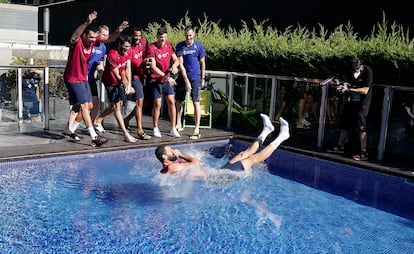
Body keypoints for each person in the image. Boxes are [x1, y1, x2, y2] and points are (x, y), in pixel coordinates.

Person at [62, 11, 128, 146]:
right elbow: (74, 36)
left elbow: (110, 39)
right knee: (85, 105)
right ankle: (93, 136)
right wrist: (87, 22)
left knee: (87, 104)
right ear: (85, 35)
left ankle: (69, 129)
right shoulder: (77, 42)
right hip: (73, 78)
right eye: (90, 37)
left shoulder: (95, 43)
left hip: (83, 78)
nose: (92, 40)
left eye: (94, 38)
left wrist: (118, 31)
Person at [155, 114, 290, 175]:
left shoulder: (168, 169)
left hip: (219, 173)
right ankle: (283, 136)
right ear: (164, 157)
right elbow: (197, 163)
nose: (174, 151)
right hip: (221, 178)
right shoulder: (172, 168)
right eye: (171, 151)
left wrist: (179, 156)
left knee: (243, 154)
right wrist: (181, 155)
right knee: (252, 159)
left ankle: (266, 131)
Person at [93, 34, 137, 143]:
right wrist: (125, 84)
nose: (127, 49)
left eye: (128, 46)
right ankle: (125, 134)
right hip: (110, 81)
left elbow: (127, 69)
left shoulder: (128, 53)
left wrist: (129, 84)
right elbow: (118, 74)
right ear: (119, 45)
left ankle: (98, 120)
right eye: (125, 46)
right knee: (117, 106)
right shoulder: (112, 54)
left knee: (118, 104)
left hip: (119, 81)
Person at [328, 58, 373, 161]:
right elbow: (348, 85)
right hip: (351, 100)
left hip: (363, 103)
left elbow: (365, 90)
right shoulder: (350, 72)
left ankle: (363, 152)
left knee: (361, 126)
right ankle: (340, 145)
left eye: (357, 69)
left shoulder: (367, 71)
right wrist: (343, 88)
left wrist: (349, 89)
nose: (355, 71)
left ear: (361, 65)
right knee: (345, 123)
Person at [68, 24, 110, 136]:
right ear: (98, 35)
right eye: (103, 35)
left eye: (107, 35)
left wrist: (101, 73)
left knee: (91, 104)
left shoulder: (103, 47)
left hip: (90, 78)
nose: (105, 37)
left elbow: (100, 63)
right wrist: (87, 22)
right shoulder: (88, 44)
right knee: (85, 105)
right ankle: (89, 132)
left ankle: (74, 127)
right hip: (80, 78)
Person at [146, 26, 180, 138]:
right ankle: (155, 127)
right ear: (157, 37)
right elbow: (153, 66)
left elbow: (176, 60)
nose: (163, 40)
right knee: (158, 103)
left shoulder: (169, 45)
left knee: (171, 101)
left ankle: (173, 128)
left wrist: (174, 66)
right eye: (161, 38)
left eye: (164, 37)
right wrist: (166, 76)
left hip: (167, 79)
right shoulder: (152, 48)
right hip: (156, 79)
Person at [175, 26, 206, 139]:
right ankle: (178, 123)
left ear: (194, 35)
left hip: (195, 77)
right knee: (178, 101)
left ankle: (196, 129)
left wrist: (203, 78)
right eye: (187, 35)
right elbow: (181, 64)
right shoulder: (180, 46)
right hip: (183, 77)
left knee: (196, 102)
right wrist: (186, 80)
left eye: (190, 35)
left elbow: (202, 63)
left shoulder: (199, 46)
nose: (188, 37)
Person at [122, 27, 151, 140]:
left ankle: (126, 120)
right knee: (140, 101)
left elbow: (148, 54)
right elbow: (126, 67)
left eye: (139, 36)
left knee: (144, 103)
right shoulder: (129, 49)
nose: (138, 38)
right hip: (134, 77)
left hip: (144, 75)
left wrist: (147, 61)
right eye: (135, 36)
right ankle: (140, 130)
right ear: (132, 35)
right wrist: (128, 82)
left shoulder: (144, 42)